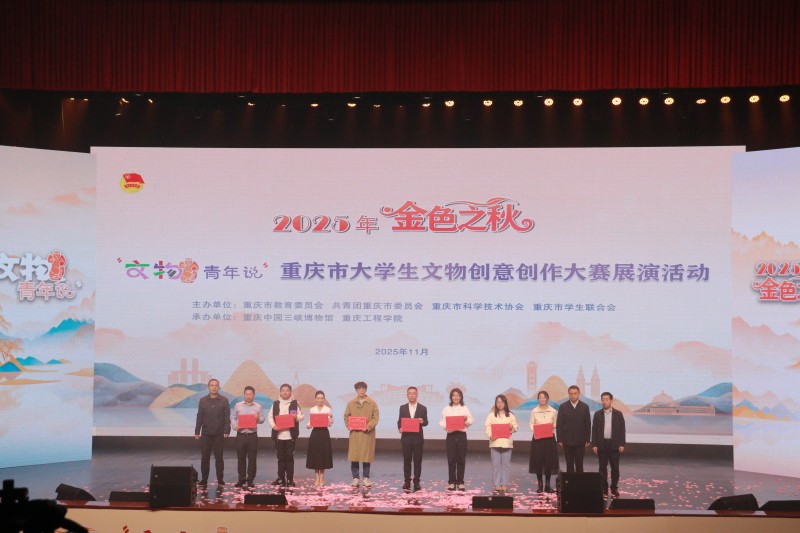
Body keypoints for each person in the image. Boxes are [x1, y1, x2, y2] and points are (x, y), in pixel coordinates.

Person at [194, 378, 231, 486]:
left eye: (216, 385)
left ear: (219, 387)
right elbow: (199, 416)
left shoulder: (224, 400)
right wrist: (197, 431)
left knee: (219, 458)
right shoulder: (203, 400)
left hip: (219, 434)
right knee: (205, 458)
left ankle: (220, 480)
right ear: (208, 387)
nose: (214, 387)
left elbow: (227, 416)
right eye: (212, 385)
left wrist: (227, 430)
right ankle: (204, 479)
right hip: (206, 434)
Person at [343, 381, 380, 487]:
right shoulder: (351, 403)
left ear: (366, 389)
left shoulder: (372, 403)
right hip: (355, 434)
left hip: (367, 434)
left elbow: (375, 417)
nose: (361, 390)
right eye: (359, 389)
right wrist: (349, 424)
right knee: (354, 456)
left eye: (363, 388)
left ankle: (366, 478)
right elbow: (346, 416)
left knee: (366, 457)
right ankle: (355, 478)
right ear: (356, 390)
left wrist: (368, 426)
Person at [268, 383, 304, 487]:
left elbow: (301, 416)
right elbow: (270, 416)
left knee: (289, 458)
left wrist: (295, 417)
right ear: (280, 392)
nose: (285, 392)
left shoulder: (295, 403)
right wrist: (274, 426)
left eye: (287, 390)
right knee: (280, 458)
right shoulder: (275, 403)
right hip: (279, 436)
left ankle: (290, 479)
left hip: (290, 436)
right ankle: (281, 478)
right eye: (283, 390)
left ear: (290, 392)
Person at [591, 391, 626, 498]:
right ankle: (604, 488)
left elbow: (622, 430)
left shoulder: (618, 414)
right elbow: (594, 430)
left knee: (615, 467)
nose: (604, 401)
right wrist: (594, 444)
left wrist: (622, 444)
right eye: (603, 399)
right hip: (602, 444)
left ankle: (614, 488)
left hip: (614, 444)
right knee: (602, 468)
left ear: (611, 400)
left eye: (607, 399)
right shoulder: (597, 414)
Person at [439, 387, 474, 491]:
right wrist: (446, 426)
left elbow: (471, 421)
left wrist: (466, 419)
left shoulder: (464, 408)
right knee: (451, 459)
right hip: (451, 436)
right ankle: (451, 482)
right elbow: (442, 422)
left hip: (461, 435)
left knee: (461, 459)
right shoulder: (446, 408)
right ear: (451, 397)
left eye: (458, 395)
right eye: (454, 395)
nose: (456, 397)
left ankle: (460, 482)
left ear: (461, 397)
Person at [231, 385, 265, 488]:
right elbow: (233, 417)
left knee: (252, 459)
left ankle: (250, 479)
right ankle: (241, 479)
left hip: (252, 436)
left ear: (253, 395)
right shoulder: (238, 405)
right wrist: (234, 426)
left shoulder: (258, 406)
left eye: (250, 394)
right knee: (241, 458)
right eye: (246, 394)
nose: (248, 396)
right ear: (244, 395)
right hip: (241, 435)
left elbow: (262, 419)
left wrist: (258, 418)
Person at [484, 394, 518, 493]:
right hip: (495, 442)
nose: (499, 404)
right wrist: (491, 436)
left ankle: (504, 484)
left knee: (506, 465)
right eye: (498, 402)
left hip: (506, 443)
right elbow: (487, 427)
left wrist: (512, 427)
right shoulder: (491, 415)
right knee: (496, 465)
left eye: (501, 402)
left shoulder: (510, 415)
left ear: (505, 403)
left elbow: (515, 427)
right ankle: (497, 484)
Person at [397, 386, 429, 492]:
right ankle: (407, 481)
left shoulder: (423, 408)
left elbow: (426, 422)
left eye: (414, 393)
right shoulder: (402, 407)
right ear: (407, 395)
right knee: (407, 461)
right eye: (410, 393)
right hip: (406, 438)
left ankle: (416, 482)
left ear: (417, 395)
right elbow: (399, 421)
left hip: (417, 439)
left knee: (417, 461)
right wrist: (400, 428)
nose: (412, 395)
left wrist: (422, 421)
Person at [528, 390, 559, 493]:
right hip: (538, 439)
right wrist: (536, 430)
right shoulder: (534, 411)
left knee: (549, 461)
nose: (542, 399)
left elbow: (556, 423)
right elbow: (531, 424)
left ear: (547, 398)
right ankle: (540, 485)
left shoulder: (553, 411)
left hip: (549, 439)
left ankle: (548, 485)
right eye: (540, 397)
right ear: (538, 399)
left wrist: (552, 426)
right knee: (538, 461)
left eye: (544, 397)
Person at [556, 385, 591, 473]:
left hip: (580, 441)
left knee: (579, 464)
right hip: (567, 441)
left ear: (579, 394)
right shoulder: (563, 406)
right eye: (571, 393)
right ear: (568, 394)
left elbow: (588, 424)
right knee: (569, 464)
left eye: (575, 393)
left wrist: (587, 439)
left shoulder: (585, 407)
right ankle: (570, 482)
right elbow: (559, 423)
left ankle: (579, 481)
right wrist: (559, 439)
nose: (573, 395)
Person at [305, 390, 334, 486]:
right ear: (315, 399)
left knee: (323, 455)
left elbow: (330, 424)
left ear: (324, 399)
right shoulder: (312, 409)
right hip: (315, 434)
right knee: (316, 455)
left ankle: (322, 476)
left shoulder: (327, 409)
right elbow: (310, 422)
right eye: (318, 398)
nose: (320, 400)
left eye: (322, 398)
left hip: (324, 433)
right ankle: (316, 476)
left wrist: (330, 418)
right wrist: (308, 425)